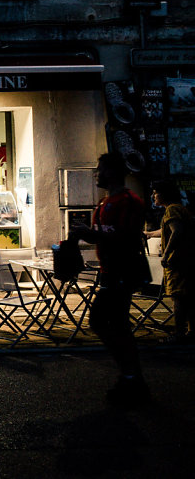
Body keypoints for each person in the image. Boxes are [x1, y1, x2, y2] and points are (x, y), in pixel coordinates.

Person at [70, 152, 148, 404]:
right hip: (110, 271)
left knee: (105, 322)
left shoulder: (129, 201)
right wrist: (86, 234)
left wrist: (92, 235)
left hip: (123, 270)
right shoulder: (104, 203)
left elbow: (127, 237)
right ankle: (131, 377)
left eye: (101, 169)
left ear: (113, 172)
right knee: (113, 324)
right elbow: (104, 234)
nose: (97, 174)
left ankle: (131, 376)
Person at [146, 180, 193, 343]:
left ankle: (179, 333)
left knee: (178, 298)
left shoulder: (172, 209)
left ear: (165, 194)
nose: (153, 196)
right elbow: (168, 229)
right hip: (185, 260)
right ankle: (189, 331)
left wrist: (166, 254)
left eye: (156, 193)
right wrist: (150, 234)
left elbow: (176, 231)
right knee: (187, 297)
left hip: (178, 262)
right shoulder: (178, 209)